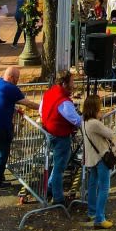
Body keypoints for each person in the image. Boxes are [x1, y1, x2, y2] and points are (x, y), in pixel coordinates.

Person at [0, 66, 37, 192]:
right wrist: (43, 108)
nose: (18, 80)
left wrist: (12, 108)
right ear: (12, 78)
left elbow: (3, 100)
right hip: (2, 126)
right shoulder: (11, 88)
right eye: (17, 78)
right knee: (1, 154)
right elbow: (28, 103)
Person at [40, 70, 82, 204]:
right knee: (59, 167)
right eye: (72, 82)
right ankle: (58, 199)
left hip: (49, 133)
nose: (73, 85)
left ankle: (50, 188)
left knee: (57, 165)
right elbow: (76, 120)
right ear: (64, 83)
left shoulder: (49, 93)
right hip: (60, 136)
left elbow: (41, 110)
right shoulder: (64, 102)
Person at [81, 93, 116, 229]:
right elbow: (111, 134)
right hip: (101, 157)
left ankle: (92, 212)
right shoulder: (95, 123)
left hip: (91, 158)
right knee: (104, 188)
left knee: (92, 185)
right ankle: (100, 218)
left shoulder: (84, 122)